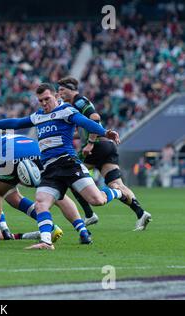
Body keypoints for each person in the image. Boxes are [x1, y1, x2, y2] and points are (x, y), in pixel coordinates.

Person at [0, 83, 123, 250]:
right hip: (50, 168)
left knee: (97, 200)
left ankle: (117, 191)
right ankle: (46, 242)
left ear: (56, 97)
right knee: (41, 203)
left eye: (47, 99)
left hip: (69, 164)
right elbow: (16, 123)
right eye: (40, 100)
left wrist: (105, 132)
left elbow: (85, 122)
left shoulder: (66, 111)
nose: (44, 103)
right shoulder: (38, 116)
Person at [57, 76, 152, 230]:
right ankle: (141, 213)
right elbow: (84, 129)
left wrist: (89, 143)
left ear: (71, 89)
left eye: (62, 90)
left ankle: (89, 215)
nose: (60, 93)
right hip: (107, 147)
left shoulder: (79, 101)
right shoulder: (75, 104)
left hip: (96, 147)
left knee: (71, 177)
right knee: (116, 184)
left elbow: (95, 118)